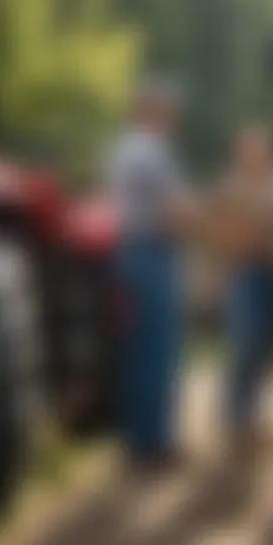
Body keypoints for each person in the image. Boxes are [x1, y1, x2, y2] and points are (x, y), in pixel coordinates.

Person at [106, 78, 193, 468]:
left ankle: (136, 440)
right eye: (167, 109)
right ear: (149, 110)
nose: (173, 117)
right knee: (157, 351)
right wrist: (204, 222)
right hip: (151, 253)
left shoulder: (123, 149)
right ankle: (153, 444)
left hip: (129, 252)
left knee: (137, 347)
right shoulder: (152, 151)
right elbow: (172, 210)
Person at [207, 124, 273, 455]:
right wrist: (257, 235)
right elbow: (223, 234)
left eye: (261, 148)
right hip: (247, 275)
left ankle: (252, 420)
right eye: (250, 148)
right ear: (240, 153)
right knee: (246, 345)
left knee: (266, 347)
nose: (256, 154)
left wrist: (271, 237)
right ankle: (236, 421)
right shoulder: (229, 187)